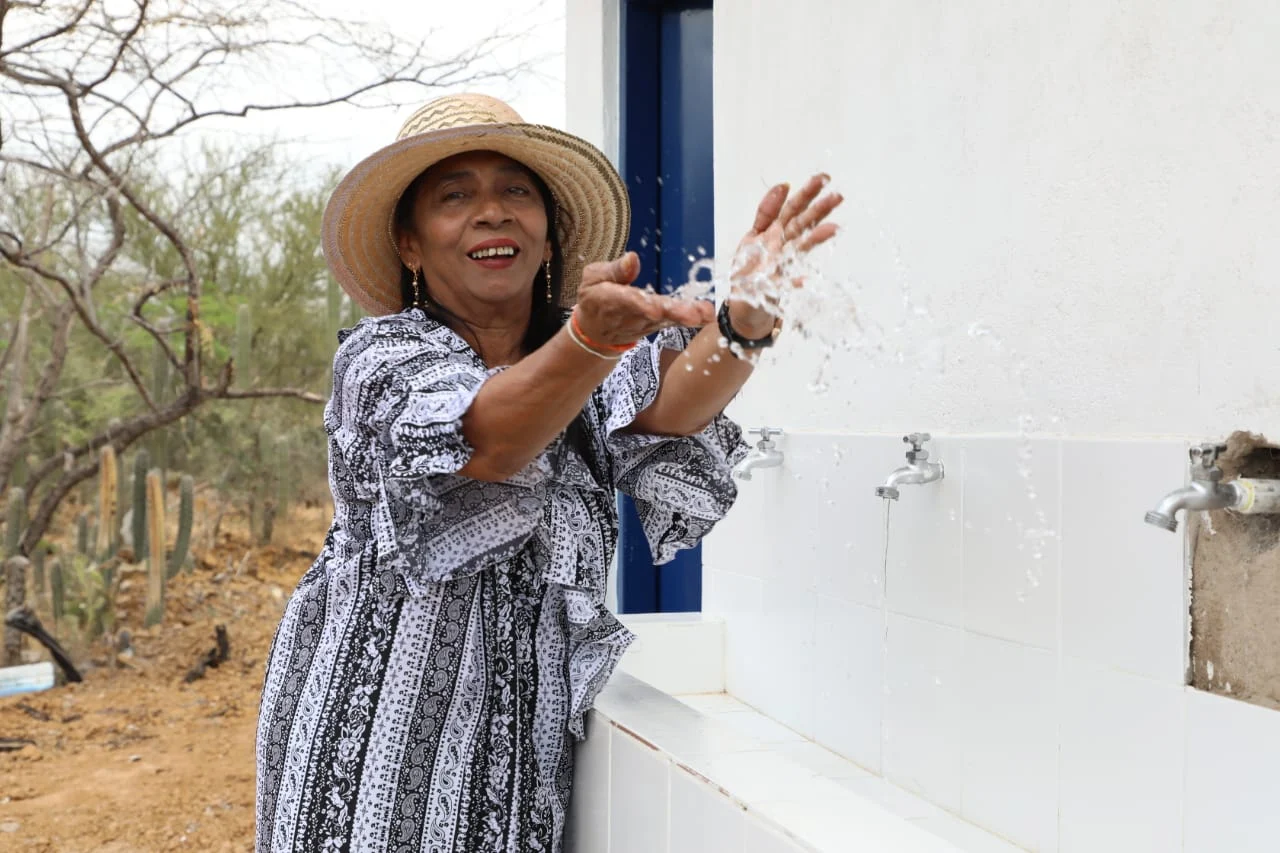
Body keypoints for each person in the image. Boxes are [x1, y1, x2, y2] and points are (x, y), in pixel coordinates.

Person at [254, 93, 841, 853]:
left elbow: (670, 403)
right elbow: (492, 442)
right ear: (409, 243)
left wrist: (744, 318)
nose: (491, 212)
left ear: (549, 232)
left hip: (507, 764)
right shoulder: (382, 360)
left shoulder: (578, 356)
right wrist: (588, 343)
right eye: (454, 195)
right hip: (368, 753)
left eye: (516, 191)